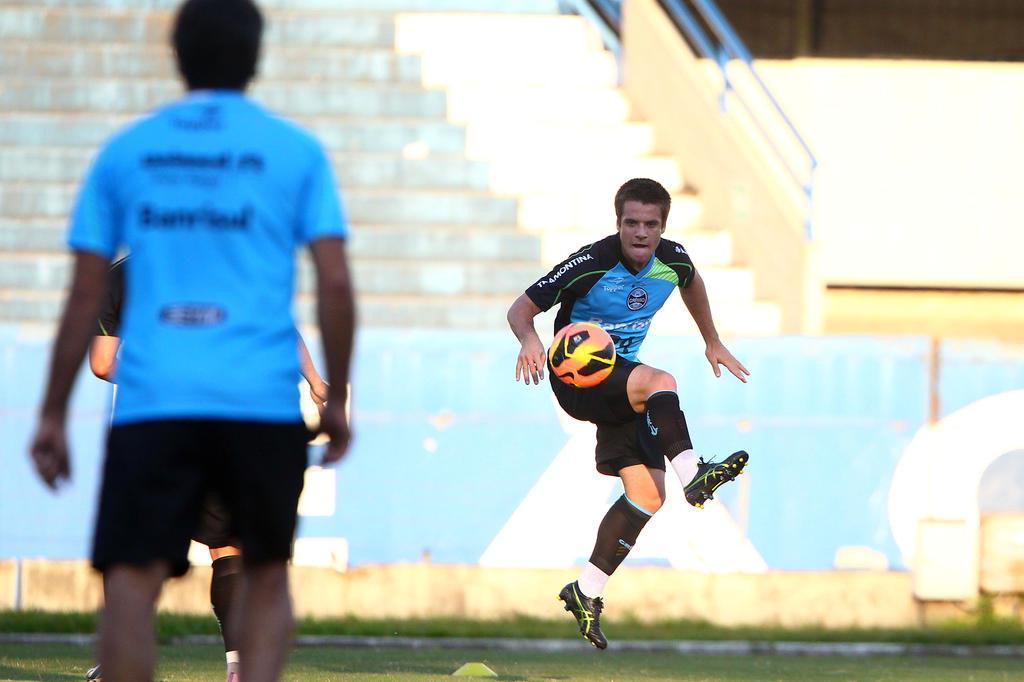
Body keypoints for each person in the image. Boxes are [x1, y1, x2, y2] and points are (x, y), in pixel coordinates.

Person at [28, 0, 356, 680]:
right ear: (256, 57)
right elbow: (334, 284)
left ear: (177, 56)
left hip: (158, 406)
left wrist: (52, 410)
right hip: (257, 403)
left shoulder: (128, 150)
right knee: (263, 574)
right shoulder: (294, 151)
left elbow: (85, 293)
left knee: (131, 580)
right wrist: (333, 394)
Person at [507, 178, 750, 650]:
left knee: (647, 496)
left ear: (663, 227)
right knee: (661, 382)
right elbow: (522, 307)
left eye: (650, 224)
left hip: (623, 383)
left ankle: (585, 592)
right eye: (631, 223)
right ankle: (695, 475)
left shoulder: (673, 261)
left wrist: (712, 340)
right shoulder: (591, 263)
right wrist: (530, 338)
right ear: (617, 223)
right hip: (578, 378)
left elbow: (692, 282)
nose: (640, 233)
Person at [85, 257, 331, 682]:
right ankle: (237, 668)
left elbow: (104, 363)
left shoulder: (120, 274)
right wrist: (314, 379)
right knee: (228, 546)